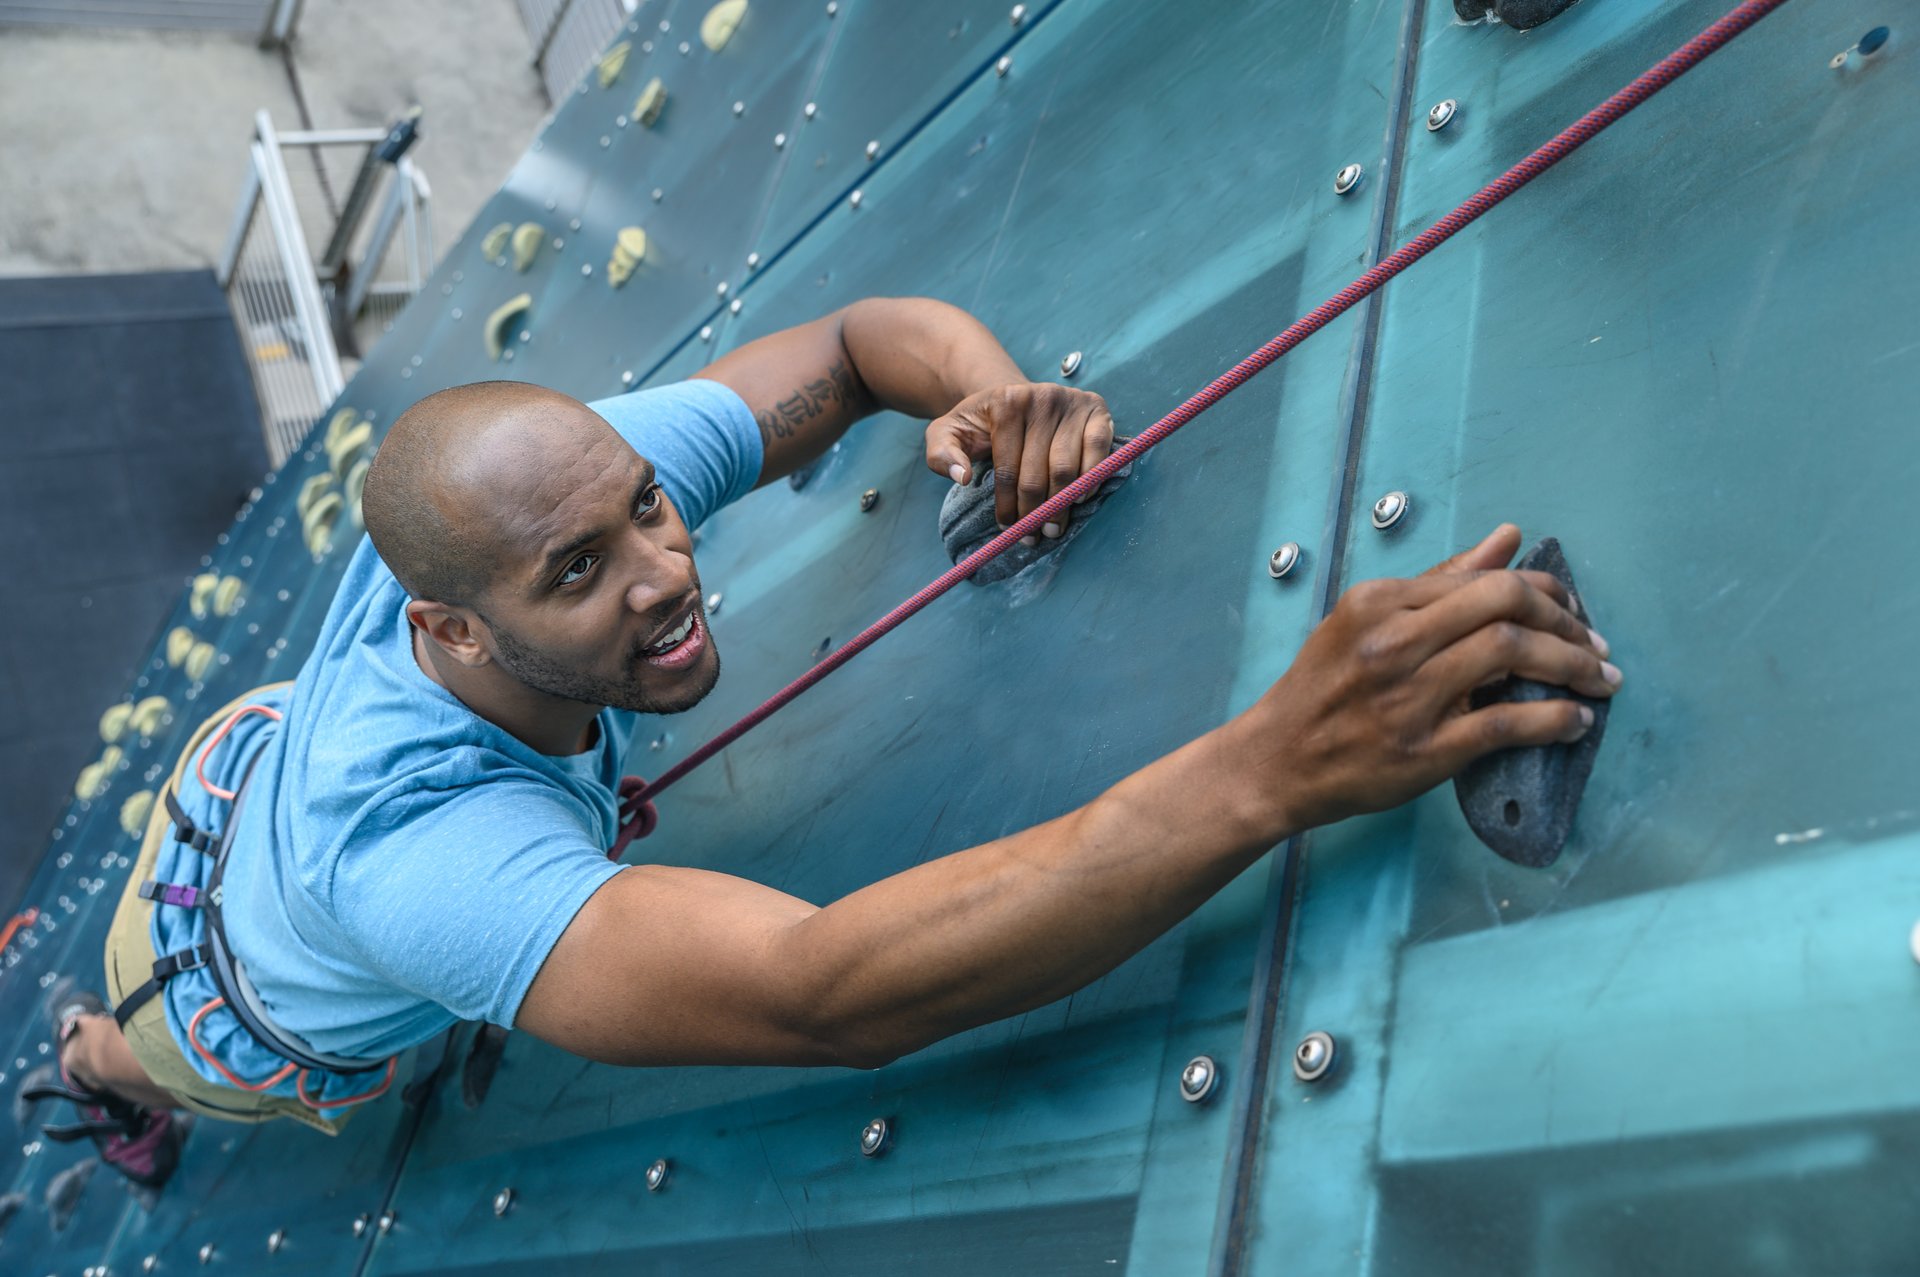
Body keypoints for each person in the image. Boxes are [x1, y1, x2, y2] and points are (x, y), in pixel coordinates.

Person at [39, 297, 1620, 1179]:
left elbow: (865, 345)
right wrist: (1278, 760)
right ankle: (92, 1070)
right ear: (446, 627)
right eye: (579, 574)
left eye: (645, 509)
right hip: (229, 984)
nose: (668, 572)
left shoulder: (558, 486)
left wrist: (1004, 403)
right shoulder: (417, 863)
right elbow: (826, 993)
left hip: (249, 777)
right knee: (143, 1036)